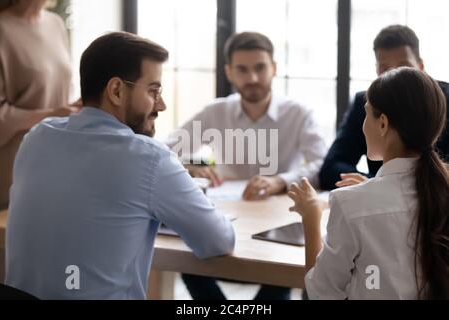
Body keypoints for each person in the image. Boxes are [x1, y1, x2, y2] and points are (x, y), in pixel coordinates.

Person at [5, 32, 235, 299]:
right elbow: (218, 240)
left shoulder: (36, 138)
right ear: (116, 91)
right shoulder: (148, 157)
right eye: (153, 90)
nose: (161, 104)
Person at [167, 32, 326, 300]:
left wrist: (281, 180)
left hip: (281, 222)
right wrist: (192, 167)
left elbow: (321, 163)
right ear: (229, 72)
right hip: (226, 219)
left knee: (286, 268)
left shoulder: (298, 113)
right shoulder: (215, 112)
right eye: (242, 69)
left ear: (274, 68)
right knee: (186, 254)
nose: (252, 78)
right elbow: (165, 150)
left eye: (260, 68)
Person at [289, 67, 449, 299]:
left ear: (383, 123)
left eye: (366, 114)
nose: (362, 125)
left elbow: (321, 292)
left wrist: (311, 217)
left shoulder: (351, 202)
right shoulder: (441, 186)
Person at [319, 25, 449, 190]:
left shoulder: (445, 100)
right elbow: (331, 167)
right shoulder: (365, 104)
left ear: (420, 66)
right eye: (385, 69)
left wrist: (382, 186)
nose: (395, 74)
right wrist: (373, 185)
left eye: (404, 66)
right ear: (377, 71)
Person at [0, 0, 79, 209]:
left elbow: (59, 91)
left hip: (56, 167)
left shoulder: (55, 24)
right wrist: (53, 114)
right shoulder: (2, 30)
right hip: (12, 174)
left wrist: (75, 108)